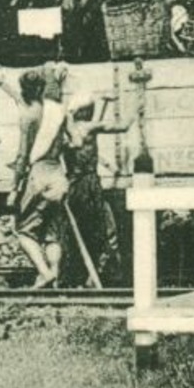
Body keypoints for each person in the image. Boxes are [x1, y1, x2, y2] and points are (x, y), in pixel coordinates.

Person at [0, 67, 69, 289]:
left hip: (39, 175)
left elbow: (23, 154)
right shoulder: (56, 111)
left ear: (25, 90)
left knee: (24, 230)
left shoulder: (28, 116)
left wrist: (15, 188)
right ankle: (55, 274)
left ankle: (45, 273)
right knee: (52, 232)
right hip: (58, 174)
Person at [63, 92, 131, 287]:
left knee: (83, 231)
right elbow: (123, 126)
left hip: (74, 184)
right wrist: (137, 106)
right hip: (90, 184)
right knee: (104, 229)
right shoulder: (89, 127)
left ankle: (82, 275)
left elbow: (82, 151)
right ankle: (98, 274)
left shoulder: (68, 130)